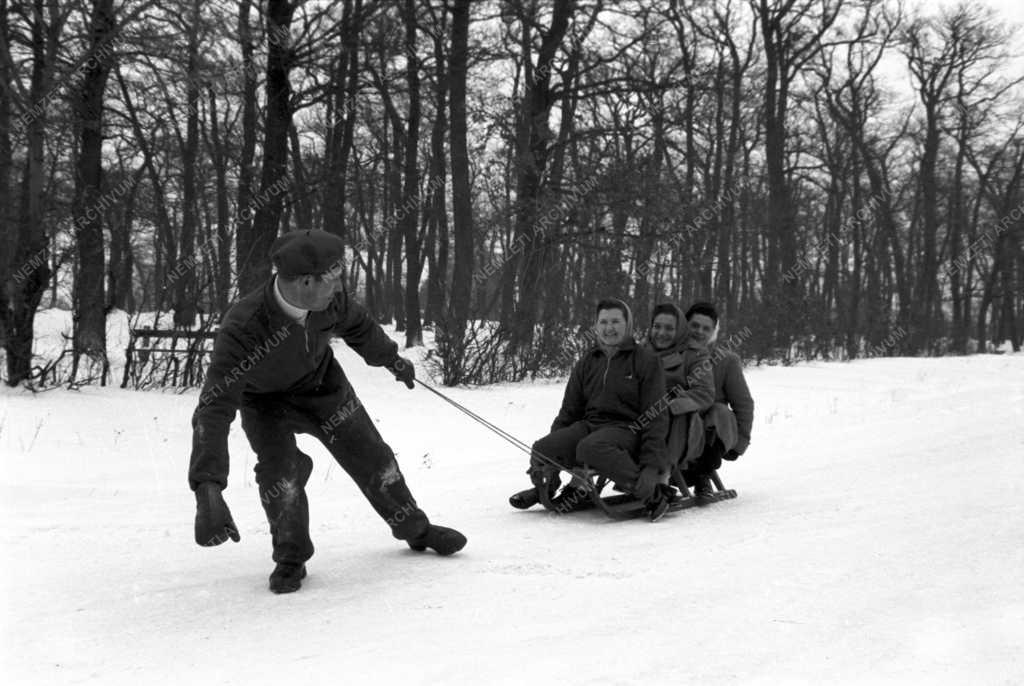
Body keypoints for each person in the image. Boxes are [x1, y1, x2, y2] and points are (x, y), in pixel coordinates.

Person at [189, 229, 466, 594]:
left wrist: (390, 360)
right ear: (305, 281)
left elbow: (360, 327)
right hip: (264, 403)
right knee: (280, 473)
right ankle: (291, 557)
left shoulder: (330, 302)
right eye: (332, 280)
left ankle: (415, 529)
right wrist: (208, 487)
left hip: (323, 388)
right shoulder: (243, 326)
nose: (338, 288)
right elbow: (214, 407)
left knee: (373, 457)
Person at [509, 298, 671, 519]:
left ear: (628, 324)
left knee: (590, 447)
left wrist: (651, 467)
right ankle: (545, 488)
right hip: (591, 426)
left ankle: (651, 494)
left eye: (615, 321)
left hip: (629, 430)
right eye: (603, 322)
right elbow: (569, 411)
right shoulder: (587, 361)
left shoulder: (646, 361)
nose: (609, 328)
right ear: (596, 326)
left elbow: (656, 417)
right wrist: (550, 453)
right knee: (543, 446)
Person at [682, 301, 754, 500]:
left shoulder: (726, 361)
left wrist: (740, 443)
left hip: (712, 432)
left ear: (713, 332)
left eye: (706, 328)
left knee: (718, 411)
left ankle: (702, 473)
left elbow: (744, 404)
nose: (699, 332)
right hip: (678, 427)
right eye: (694, 325)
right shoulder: (671, 356)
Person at [644, 303, 715, 478]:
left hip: (677, 424)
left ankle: (663, 474)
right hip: (638, 417)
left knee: (678, 413)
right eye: (657, 326)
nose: (661, 333)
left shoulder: (695, 355)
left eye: (669, 328)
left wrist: (666, 404)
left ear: (679, 330)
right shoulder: (640, 352)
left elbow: (704, 393)